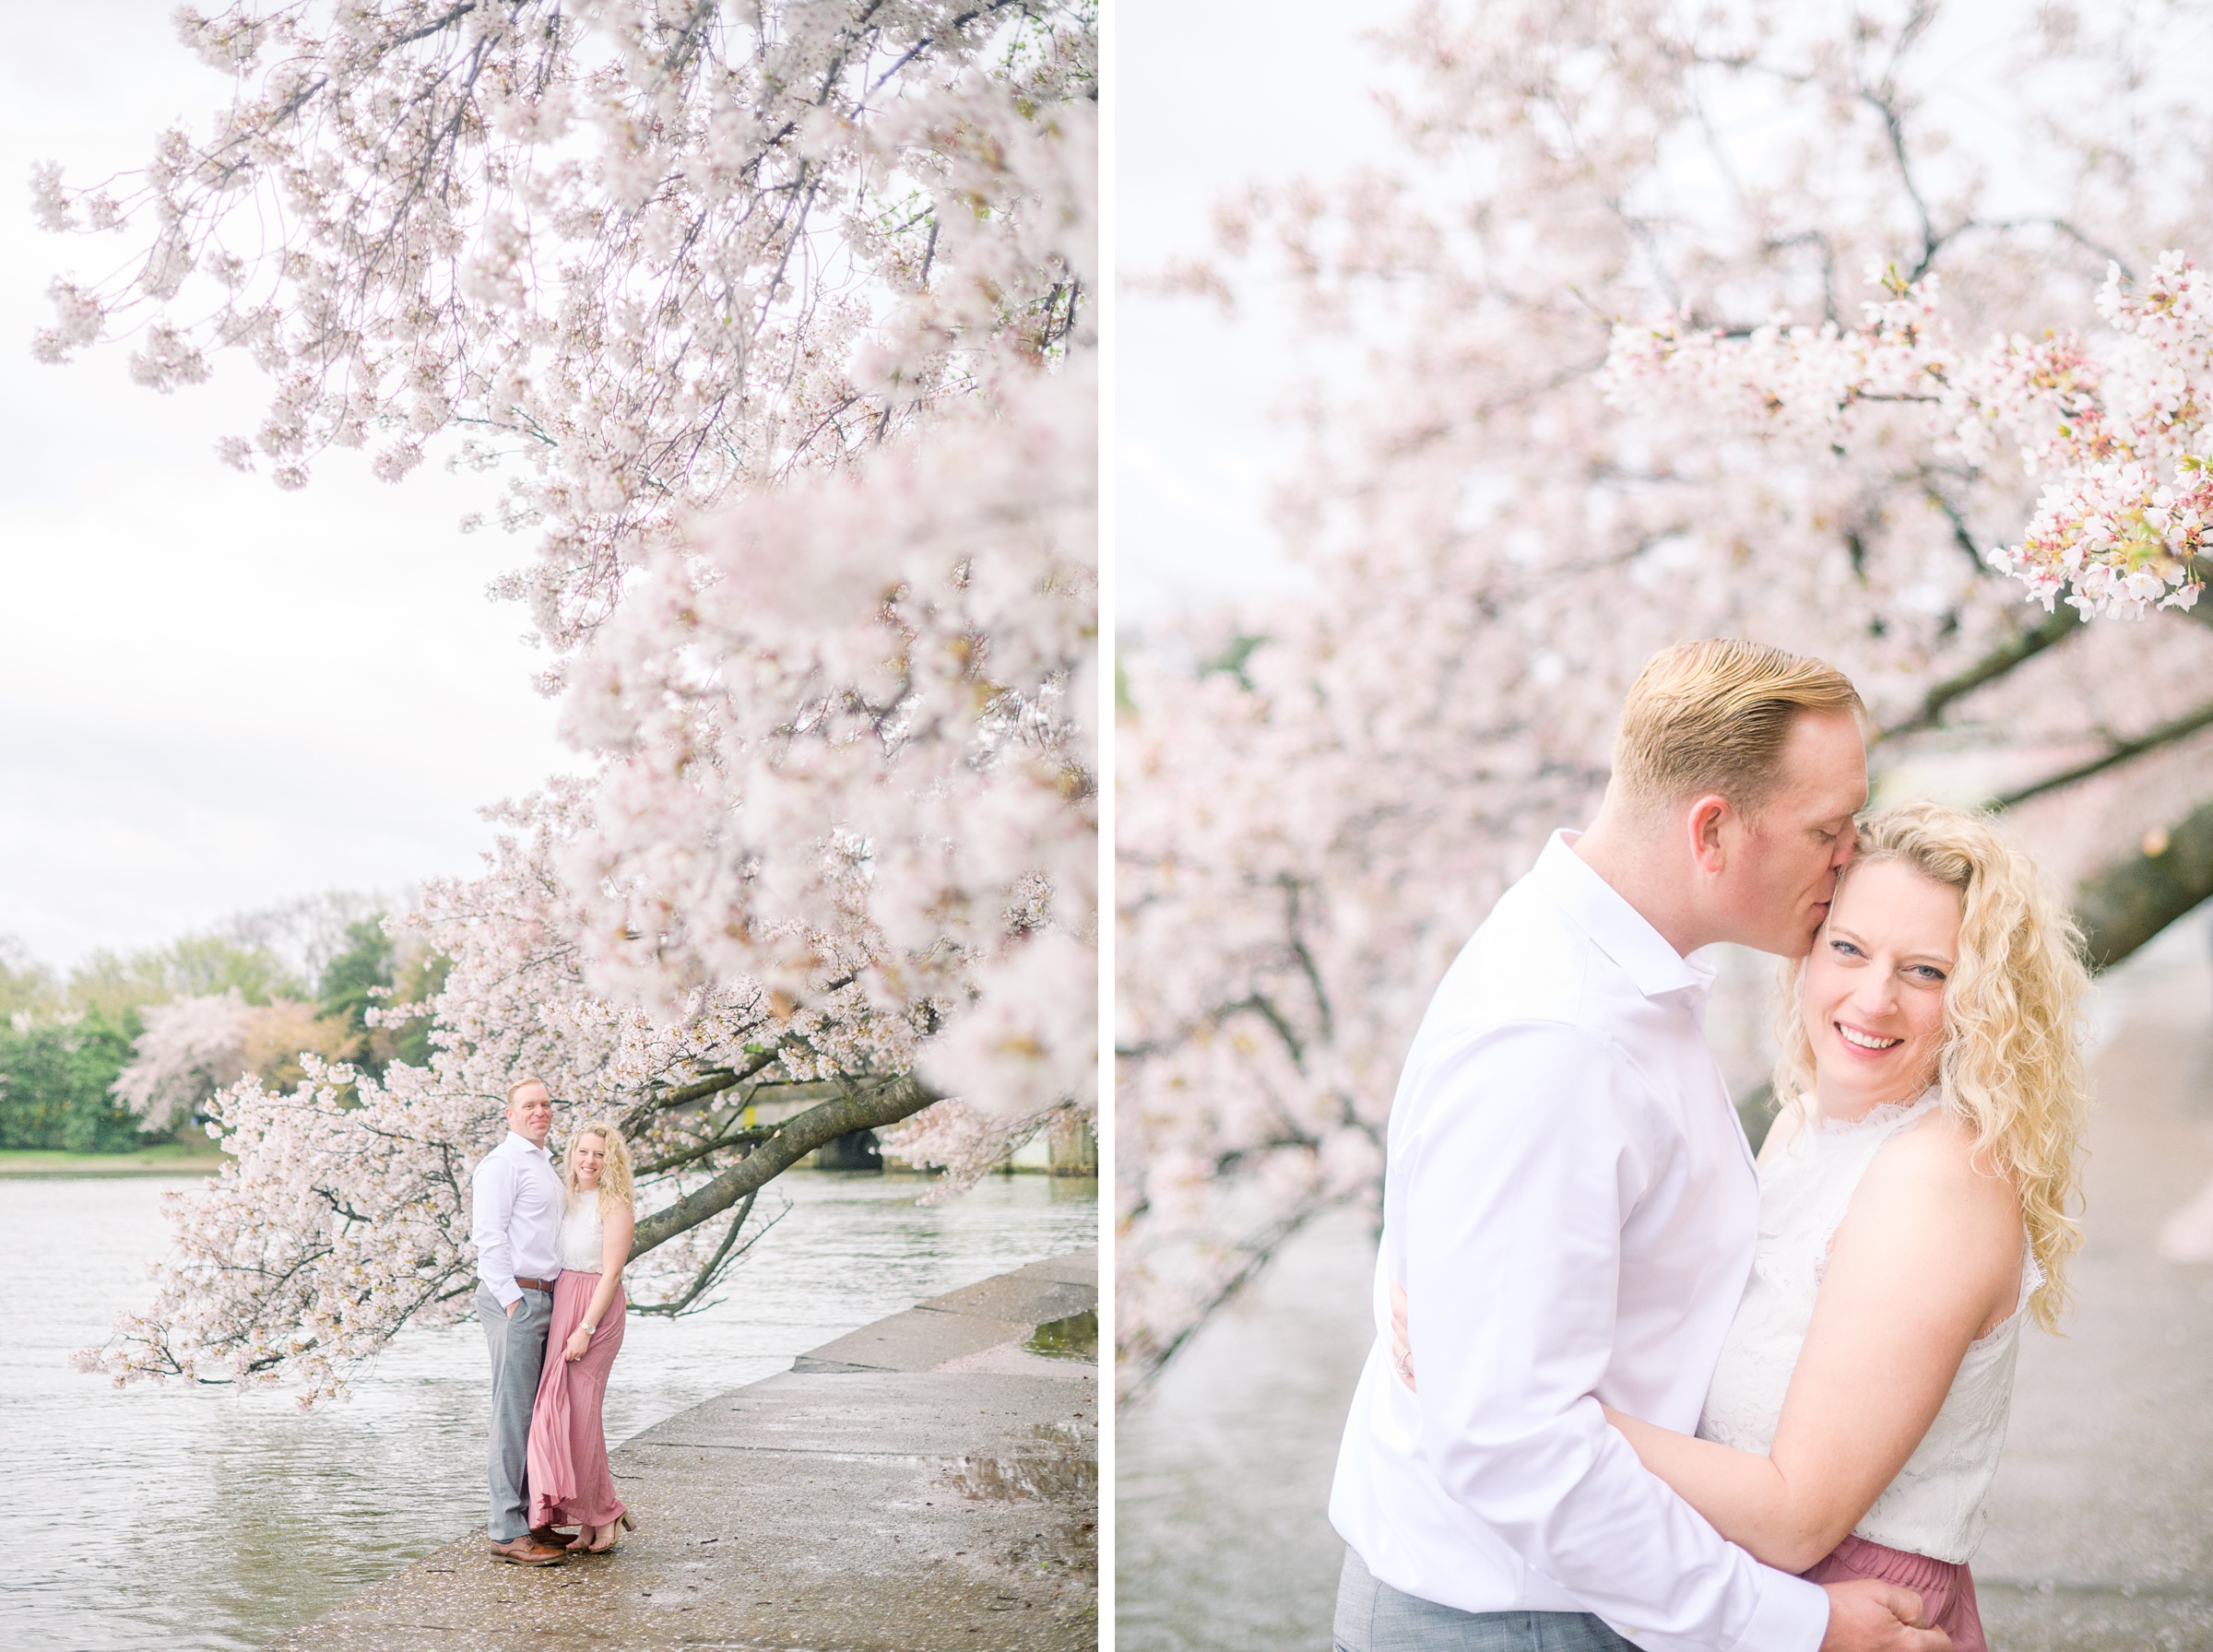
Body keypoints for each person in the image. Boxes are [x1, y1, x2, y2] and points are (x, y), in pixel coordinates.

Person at [1331, 640, 1947, 1652]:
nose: (1850, 863)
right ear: (1713, 830)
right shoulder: (1563, 1038)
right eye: (1828, 831)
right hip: (1518, 1618)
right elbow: (1513, 1441)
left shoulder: (1607, 976)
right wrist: (1797, 1627)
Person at [1590, 800, 2089, 1652]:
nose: (1875, 997)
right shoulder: (1804, 1127)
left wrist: (1537, 1402)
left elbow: (1794, 1519)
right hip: (1743, 1603)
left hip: (1855, 1614)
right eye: (1849, 949)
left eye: (1927, 972)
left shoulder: (1939, 1180)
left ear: (1981, 1002)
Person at [470, 1076, 570, 1566]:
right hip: (516, 1300)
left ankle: (534, 1519)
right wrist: (514, 1304)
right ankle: (506, 1531)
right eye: (529, 1105)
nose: (540, 1111)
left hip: (546, 1297)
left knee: (537, 1412)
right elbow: (488, 1240)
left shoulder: (544, 1166)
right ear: (509, 1114)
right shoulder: (502, 1164)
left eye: (546, 1104)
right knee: (512, 1414)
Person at [526, 1118, 638, 1552]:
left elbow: (611, 1274)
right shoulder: (567, 1199)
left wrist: (585, 1330)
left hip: (596, 1307)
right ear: (571, 1154)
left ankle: (604, 1510)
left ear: (611, 1161)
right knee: (560, 1413)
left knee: (583, 1415)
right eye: (583, 1151)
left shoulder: (615, 1205)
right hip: (563, 1299)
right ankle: (592, 1518)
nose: (590, 1160)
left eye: (599, 1153)